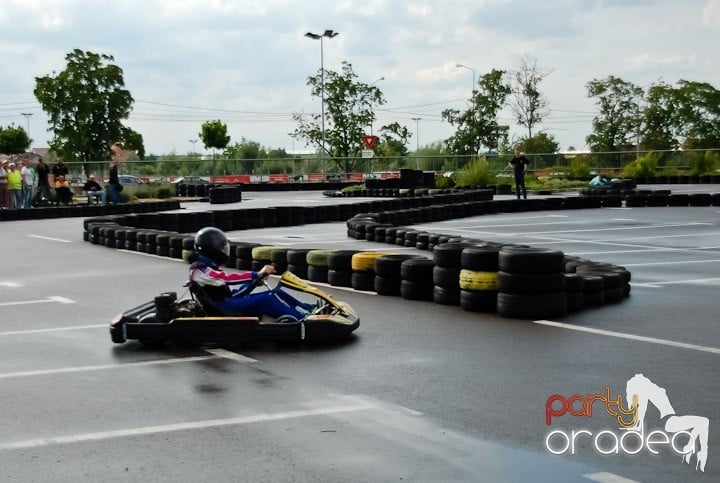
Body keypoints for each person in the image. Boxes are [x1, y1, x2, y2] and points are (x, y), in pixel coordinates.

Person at [188, 227, 313, 321]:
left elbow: (223, 287)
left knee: (276, 292)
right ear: (211, 250)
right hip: (222, 306)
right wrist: (256, 274)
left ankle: (308, 310)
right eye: (220, 248)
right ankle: (303, 320)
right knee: (266, 299)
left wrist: (252, 282)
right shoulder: (199, 269)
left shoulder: (207, 267)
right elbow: (226, 278)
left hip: (227, 300)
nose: (223, 251)